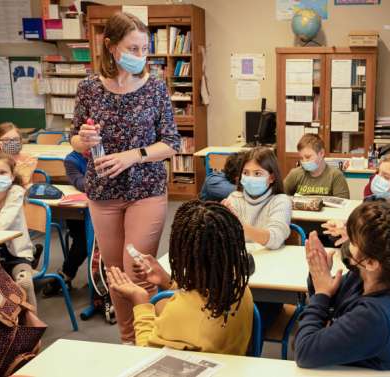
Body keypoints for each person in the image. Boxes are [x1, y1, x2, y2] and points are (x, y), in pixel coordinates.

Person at [70, 12, 181, 343]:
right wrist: (84, 141)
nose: (140, 55)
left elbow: (171, 144)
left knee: (138, 270)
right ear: (111, 46)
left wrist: (133, 156)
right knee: (115, 272)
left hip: (145, 190)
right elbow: (75, 138)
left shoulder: (156, 88)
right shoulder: (88, 88)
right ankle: (128, 341)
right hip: (103, 193)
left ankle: (147, 340)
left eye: (144, 48)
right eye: (133, 47)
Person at [107, 200, 254, 355]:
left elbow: (148, 356)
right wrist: (167, 281)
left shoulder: (179, 313)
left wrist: (140, 302)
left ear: (181, 252)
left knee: (159, 306)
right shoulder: (240, 289)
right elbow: (199, 300)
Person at [295, 201, 390, 370]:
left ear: (371, 262)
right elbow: (327, 307)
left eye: (353, 241)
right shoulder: (361, 277)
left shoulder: (375, 315)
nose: (347, 244)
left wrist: (321, 294)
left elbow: (305, 351)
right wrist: (320, 277)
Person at [0, 150, 37, 309]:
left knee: (24, 282)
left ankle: (32, 326)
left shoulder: (16, 192)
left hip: (17, 254)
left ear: (12, 176)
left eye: (2, 172)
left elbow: (2, 224)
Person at [222, 147, 291, 250]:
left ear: (271, 178)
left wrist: (240, 225)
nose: (250, 178)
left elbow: (275, 239)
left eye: (257, 173)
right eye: (245, 173)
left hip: (271, 259)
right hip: (243, 259)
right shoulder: (234, 198)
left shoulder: (280, 201)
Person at [42, 150, 88, 297]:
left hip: (112, 208)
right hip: (80, 206)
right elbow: (81, 183)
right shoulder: (73, 159)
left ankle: (99, 279)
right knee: (82, 240)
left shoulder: (111, 150)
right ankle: (66, 274)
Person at [284, 134, 350, 199]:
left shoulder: (335, 176)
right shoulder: (295, 174)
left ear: (321, 153)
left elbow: (344, 205)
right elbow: (280, 197)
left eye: (308, 157)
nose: (304, 161)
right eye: (301, 158)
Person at [0, 122, 37, 188]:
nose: (12, 142)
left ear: (20, 140)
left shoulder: (29, 159)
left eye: (16, 139)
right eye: (6, 139)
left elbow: (26, 182)